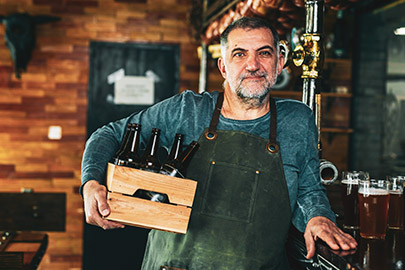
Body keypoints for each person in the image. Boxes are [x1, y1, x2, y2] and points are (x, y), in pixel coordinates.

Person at [81, 16, 357, 269]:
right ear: (223, 67)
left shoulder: (297, 120)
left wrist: (318, 217)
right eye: (240, 54)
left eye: (264, 53)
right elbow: (109, 134)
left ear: (279, 63)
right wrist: (91, 183)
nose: (253, 65)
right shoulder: (187, 109)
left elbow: (308, 189)